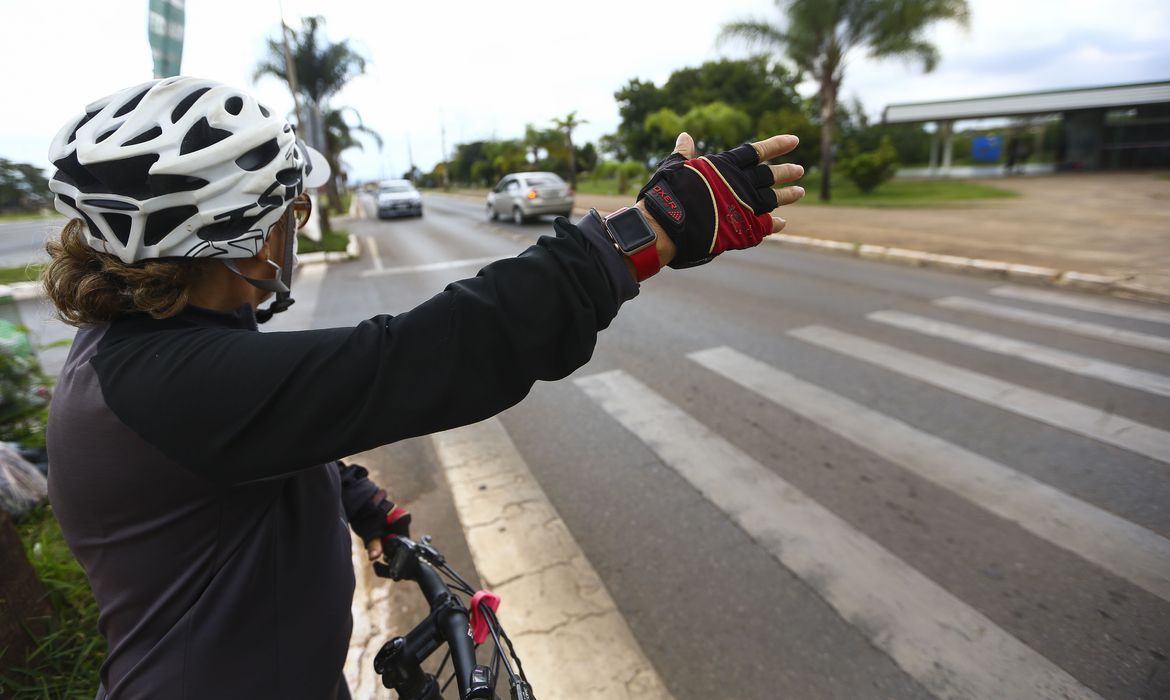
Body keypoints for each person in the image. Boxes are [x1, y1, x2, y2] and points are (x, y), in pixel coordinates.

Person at [42, 76, 805, 700]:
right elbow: (411, 359)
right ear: (240, 236)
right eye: (287, 211)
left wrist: (363, 504)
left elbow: (277, 424)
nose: (290, 229)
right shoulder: (162, 386)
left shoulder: (147, 348)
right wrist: (642, 235)